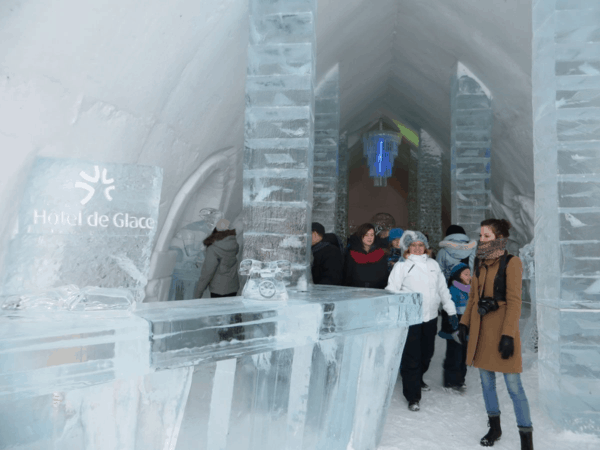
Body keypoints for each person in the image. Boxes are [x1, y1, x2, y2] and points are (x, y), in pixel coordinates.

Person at [458, 219, 533, 449]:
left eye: (487, 236)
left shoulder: (512, 263)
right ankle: (495, 428)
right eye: (481, 236)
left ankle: (526, 438)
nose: (482, 240)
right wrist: (464, 323)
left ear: (499, 239)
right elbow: (473, 298)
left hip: (502, 332)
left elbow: (514, 302)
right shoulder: (479, 262)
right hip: (481, 331)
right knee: (486, 383)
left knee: (513, 386)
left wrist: (509, 334)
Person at [386, 230, 458, 412]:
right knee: (412, 356)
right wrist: (409, 297)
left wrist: (451, 311)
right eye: (414, 245)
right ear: (407, 247)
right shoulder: (401, 266)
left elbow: (443, 289)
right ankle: (413, 396)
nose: (417, 248)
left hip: (431, 317)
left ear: (425, 247)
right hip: (411, 318)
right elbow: (391, 290)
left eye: (420, 245)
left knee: (427, 352)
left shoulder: (433, 264)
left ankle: (418, 377)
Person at [438, 263, 471, 391]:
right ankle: (450, 381)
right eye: (466, 274)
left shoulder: (470, 289)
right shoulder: (453, 290)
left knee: (464, 355)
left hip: (466, 329)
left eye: (469, 274)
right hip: (455, 329)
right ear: (458, 276)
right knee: (454, 355)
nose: (469, 276)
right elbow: (448, 312)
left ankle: (460, 380)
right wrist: (454, 328)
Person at [193, 219, 240, 298]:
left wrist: (198, 293)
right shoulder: (234, 244)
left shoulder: (214, 248)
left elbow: (207, 273)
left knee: (218, 310)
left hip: (218, 290)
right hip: (233, 288)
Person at [343, 223, 388, 289]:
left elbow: (384, 275)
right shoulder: (352, 253)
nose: (369, 238)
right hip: (355, 291)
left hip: (377, 291)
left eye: (372, 235)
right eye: (366, 235)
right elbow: (347, 275)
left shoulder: (380, 253)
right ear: (361, 236)